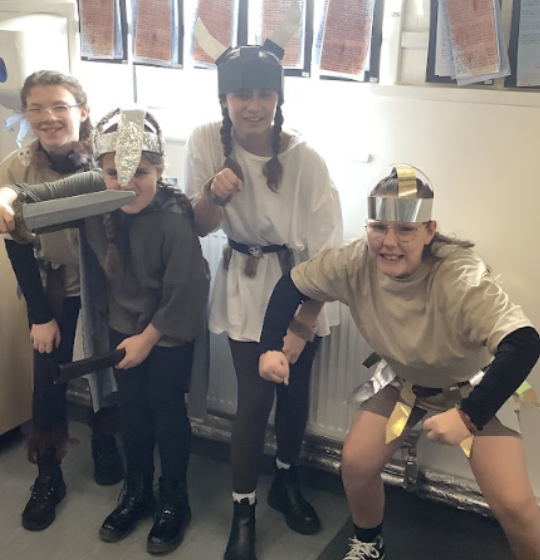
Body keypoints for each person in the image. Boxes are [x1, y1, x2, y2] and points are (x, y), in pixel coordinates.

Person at [258, 164, 540, 560]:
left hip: (473, 389)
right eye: (379, 227)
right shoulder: (354, 258)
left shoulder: (459, 273)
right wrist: (271, 347)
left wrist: (468, 416)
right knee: (357, 463)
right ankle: (368, 541)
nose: (389, 241)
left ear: (429, 231)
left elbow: (524, 343)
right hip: (406, 383)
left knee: (514, 506)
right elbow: (293, 284)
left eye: (405, 229)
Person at [0, 108, 210, 555]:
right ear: (100, 171)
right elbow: (26, 198)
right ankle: (136, 492)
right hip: (121, 324)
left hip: (166, 330)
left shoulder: (174, 220)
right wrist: (6, 201)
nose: (128, 182)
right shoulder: (95, 193)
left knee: (166, 410)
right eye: (115, 172)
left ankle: (174, 499)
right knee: (131, 408)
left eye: (143, 172)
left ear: (160, 170)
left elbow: (185, 294)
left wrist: (147, 339)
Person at [184, 32, 343, 560]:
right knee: (254, 401)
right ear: (224, 99)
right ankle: (243, 509)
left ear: (278, 99)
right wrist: (212, 192)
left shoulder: (306, 158)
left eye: (264, 95)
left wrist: (301, 326)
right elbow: (199, 226)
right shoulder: (207, 139)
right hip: (245, 283)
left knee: (293, 393)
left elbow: (327, 255)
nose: (252, 105)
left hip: (299, 285)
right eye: (240, 95)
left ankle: (286, 480)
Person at [0, 70, 123, 532]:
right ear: (26, 114)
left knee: (106, 362)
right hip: (51, 284)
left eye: (59, 107)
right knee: (47, 377)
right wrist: (40, 315)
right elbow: (16, 244)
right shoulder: (16, 169)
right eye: (36, 108)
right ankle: (48, 472)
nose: (48, 117)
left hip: (103, 283)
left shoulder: (105, 159)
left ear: (81, 112)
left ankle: (105, 441)